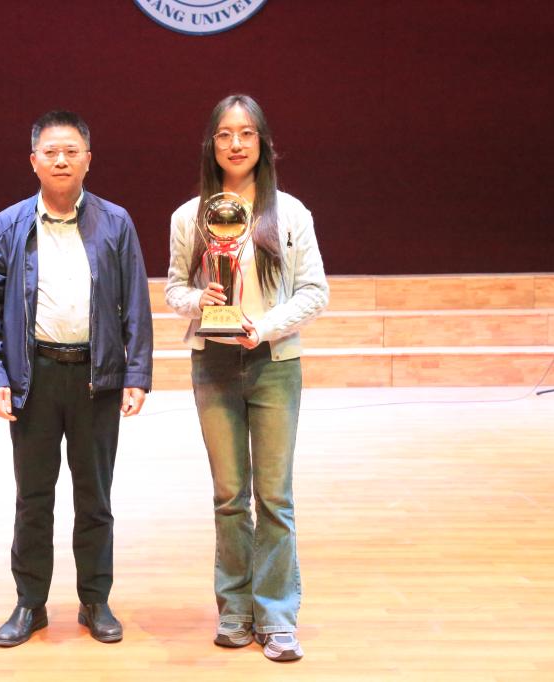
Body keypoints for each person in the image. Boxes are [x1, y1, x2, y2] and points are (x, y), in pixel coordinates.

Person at [0, 110, 153, 648]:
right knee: (33, 498)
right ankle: (30, 604)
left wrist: (137, 372)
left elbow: (136, 303)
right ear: (33, 161)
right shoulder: (5, 227)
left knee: (95, 498)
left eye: (71, 151)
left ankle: (95, 600)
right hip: (34, 379)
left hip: (98, 378)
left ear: (88, 160)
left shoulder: (116, 223)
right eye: (50, 151)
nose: (61, 160)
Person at [165, 94, 328, 662]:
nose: (236, 144)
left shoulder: (292, 214)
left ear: (263, 143)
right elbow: (174, 290)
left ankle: (277, 615)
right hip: (212, 365)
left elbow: (315, 292)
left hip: (274, 364)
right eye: (225, 135)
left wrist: (265, 327)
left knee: (275, 496)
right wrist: (199, 300)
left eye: (246, 134)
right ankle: (234, 609)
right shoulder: (188, 217)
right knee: (230, 496)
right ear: (211, 145)